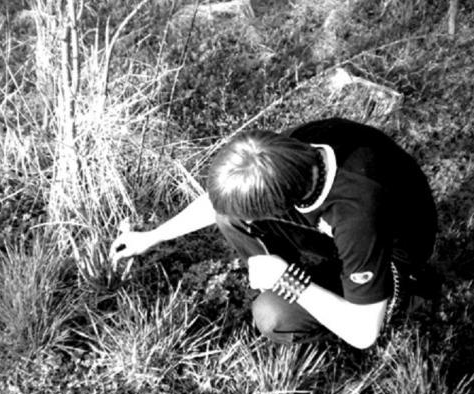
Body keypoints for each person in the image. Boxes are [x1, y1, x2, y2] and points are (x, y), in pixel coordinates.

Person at [110, 118, 438, 349]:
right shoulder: (290, 153)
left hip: (393, 256)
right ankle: (311, 284)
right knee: (229, 216)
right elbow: (222, 203)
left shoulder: (356, 214)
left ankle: (408, 300)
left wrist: (289, 281)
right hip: (344, 234)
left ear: (282, 206)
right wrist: (153, 235)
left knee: (272, 316)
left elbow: (364, 332)